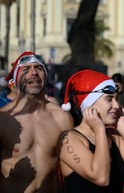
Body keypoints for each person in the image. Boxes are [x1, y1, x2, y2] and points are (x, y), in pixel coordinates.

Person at [58, 69, 124, 193]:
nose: (116, 105)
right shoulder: (68, 139)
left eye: (116, 99)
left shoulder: (115, 137)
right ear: (89, 104)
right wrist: (100, 131)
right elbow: (101, 178)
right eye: (109, 99)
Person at [0, 51, 74, 192]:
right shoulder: (4, 120)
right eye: (26, 69)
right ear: (15, 80)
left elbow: (70, 170)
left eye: (39, 68)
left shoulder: (61, 118)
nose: (34, 72)